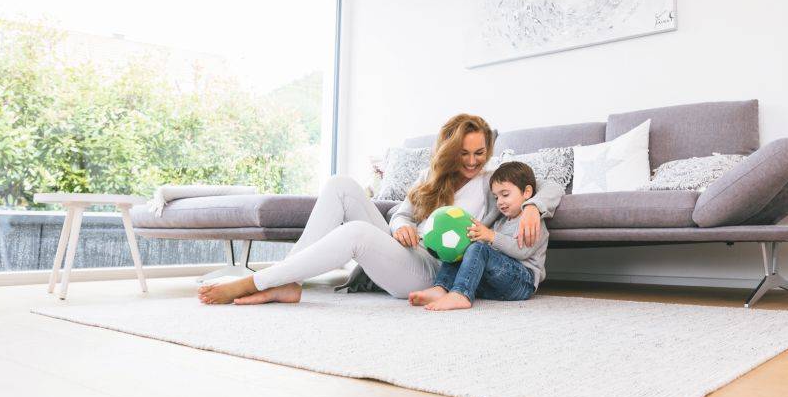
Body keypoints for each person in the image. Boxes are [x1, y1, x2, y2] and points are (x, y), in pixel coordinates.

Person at [196, 113, 562, 305]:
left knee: (355, 235)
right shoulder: (431, 177)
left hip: (435, 271)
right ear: (449, 150)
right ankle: (288, 281)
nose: (470, 161)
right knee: (341, 185)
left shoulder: (491, 180)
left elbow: (550, 183)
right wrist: (400, 224)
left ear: (489, 152)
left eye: (478, 153)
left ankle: (259, 280)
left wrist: (531, 207)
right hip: (406, 249)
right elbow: (400, 213)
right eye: (463, 153)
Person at [409, 160, 549, 312]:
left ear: (527, 192)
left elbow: (522, 251)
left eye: (505, 194)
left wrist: (490, 236)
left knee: (479, 248)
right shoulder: (501, 221)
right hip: (496, 285)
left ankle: (461, 294)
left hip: (522, 282)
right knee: (462, 248)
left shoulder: (532, 221)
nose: (500, 202)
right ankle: (441, 288)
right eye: (496, 197)